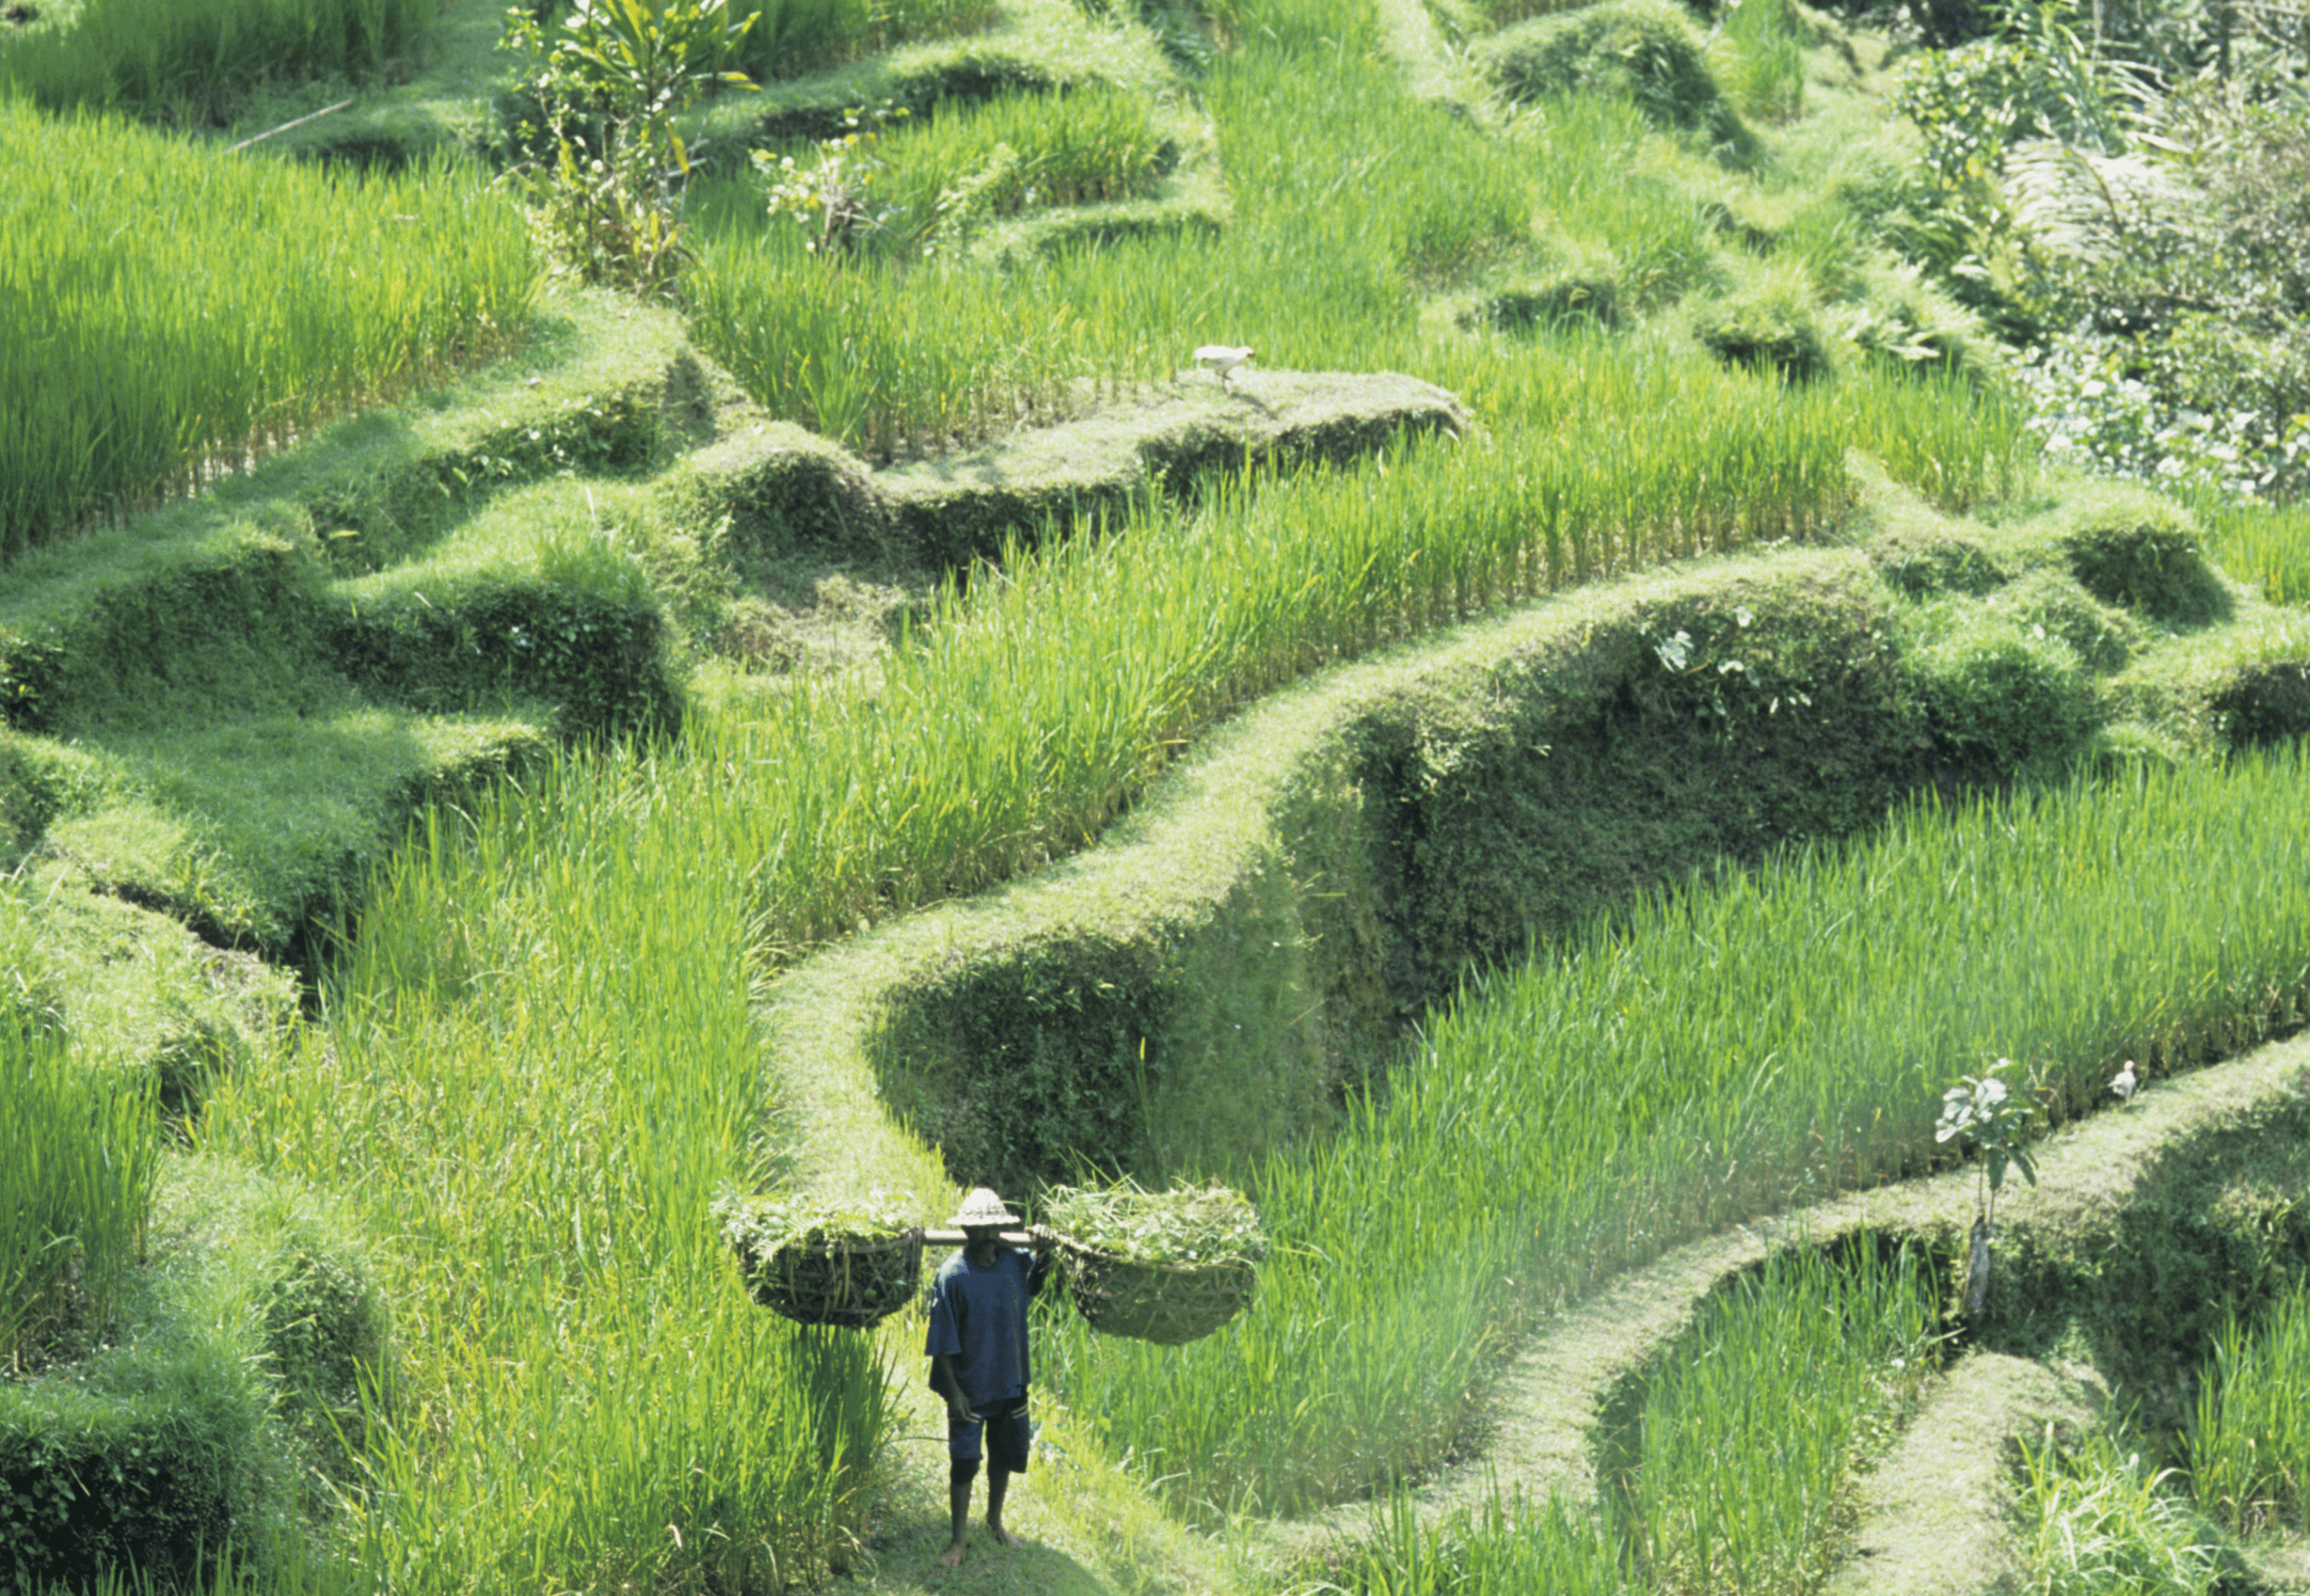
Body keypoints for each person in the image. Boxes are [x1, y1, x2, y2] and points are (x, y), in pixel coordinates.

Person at [925, 1187, 1055, 1569]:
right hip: (971, 1385)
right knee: (964, 1461)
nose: (985, 1237)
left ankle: (994, 1522)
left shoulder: (1014, 1262)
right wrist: (954, 1394)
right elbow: (941, 1343)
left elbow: (1036, 1282)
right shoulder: (952, 1275)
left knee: (1003, 1452)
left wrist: (1045, 1250)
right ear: (965, 1230)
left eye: (991, 1228)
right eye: (976, 1229)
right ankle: (958, 1538)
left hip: (1009, 1377)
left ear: (1001, 1229)